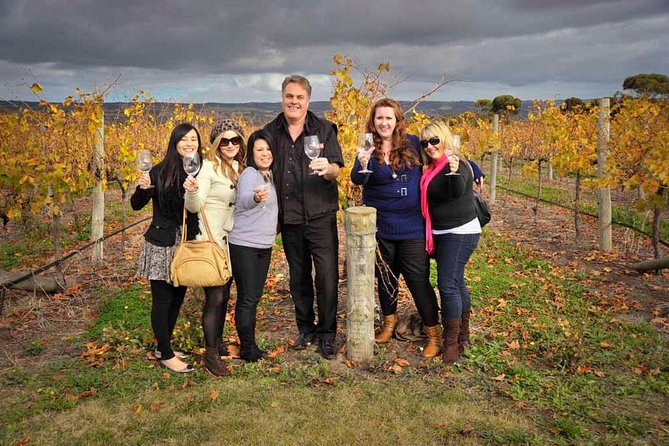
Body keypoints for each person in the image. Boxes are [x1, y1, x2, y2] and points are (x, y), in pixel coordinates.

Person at [351, 98, 441, 358]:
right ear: (373, 121)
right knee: (386, 280)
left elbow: (441, 155)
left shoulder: (412, 143)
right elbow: (357, 178)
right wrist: (364, 165)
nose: (384, 122)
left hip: (412, 228)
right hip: (381, 229)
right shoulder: (368, 147)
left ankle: (433, 334)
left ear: (397, 120)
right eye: (379, 118)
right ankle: (388, 324)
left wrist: (474, 167)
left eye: (388, 118)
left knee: (418, 281)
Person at [264, 75, 344, 359]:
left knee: (326, 276)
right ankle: (306, 329)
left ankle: (327, 334)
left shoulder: (323, 129)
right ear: (282, 98)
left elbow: (336, 168)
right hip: (290, 218)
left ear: (308, 100)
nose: (294, 102)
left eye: (299, 97)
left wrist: (328, 169)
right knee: (298, 277)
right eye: (289, 96)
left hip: (320, 215)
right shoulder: (270, 131)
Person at [131, 123, 202, 374]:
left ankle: (164, 347)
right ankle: (165, 353)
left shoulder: (199, 170)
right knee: (162, 300)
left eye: (193, 139)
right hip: (162, 243)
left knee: (178, 297)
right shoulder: (159, 171)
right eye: (184, 139)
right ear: (175, 143)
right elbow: (136, 205)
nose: (189, 143)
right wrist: (143, 188)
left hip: (186, 243)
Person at [183, 119, 245, 376]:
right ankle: (210, 355)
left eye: (235, 140)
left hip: (230, 240)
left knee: (225, 295)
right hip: (211, 240)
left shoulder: (239, 167)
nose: (230, 145)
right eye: (224, 141)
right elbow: (194, 206)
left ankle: (217, 343)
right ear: (217, 144)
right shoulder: (208, 167)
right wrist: (191, 192)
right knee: (216, 297)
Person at [419, 119, 481, 364]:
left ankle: (452, 343)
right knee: (456, 282)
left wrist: (456, 168)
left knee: (447, 285)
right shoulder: (432, 167)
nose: (429, 146)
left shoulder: (457, 165)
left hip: (460, 232)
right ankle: (463, 336)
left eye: (434, 140)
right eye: (425, 143)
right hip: (443, 233)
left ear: (444, 138)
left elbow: (456, 190)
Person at [228, 129, 278, 362]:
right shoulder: (249, 174)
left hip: (263, 245)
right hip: (244, 244)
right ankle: (247, 348)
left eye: (268, 149)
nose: (265, 153)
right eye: (259, 149)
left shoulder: (271, 176)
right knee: (247, 298)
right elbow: (245, 199)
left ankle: (250, 344)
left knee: (254, 296)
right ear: (252, 153)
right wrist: (256, 198)